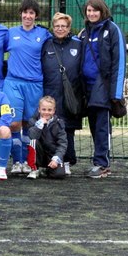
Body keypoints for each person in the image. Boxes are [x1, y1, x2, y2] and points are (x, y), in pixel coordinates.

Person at [79, 0, 127, 179]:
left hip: (104, 87)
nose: (91, 14)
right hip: (87, 88)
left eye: (95, 10)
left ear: (102, 10)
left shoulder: (113, 30)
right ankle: (98, 162)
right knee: (93, 126)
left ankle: (102, 164)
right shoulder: (84, 32)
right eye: (88, 10)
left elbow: (120, 61)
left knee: (102, 127)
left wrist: (116, 93)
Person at [3, 0, 51, 175]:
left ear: (36, 16)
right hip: (13, 82)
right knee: (14, 123)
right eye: (25, 12)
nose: (28, 15)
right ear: (21, 14)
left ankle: (28, 161)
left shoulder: (44, 34)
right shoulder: (11, 32)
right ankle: (16, 161)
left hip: (35, 84)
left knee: (29, 124)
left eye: (31, 13)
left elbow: (59, 42)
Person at [40, 12, 83, 175]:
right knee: (50, 127)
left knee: (68, 128)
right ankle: (47, 161)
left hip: (71, 93)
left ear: (69, 28)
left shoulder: (78, 44)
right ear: (53, 27)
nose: (60, 29)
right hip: (51, 92)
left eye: (63, 26)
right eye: (57, 26)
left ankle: (67, 161)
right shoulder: (46, 44)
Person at [26, 96, 68, 180]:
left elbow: (63, 144)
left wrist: (56, 158)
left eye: (49, 110)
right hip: (39, 153)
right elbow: (32, 136)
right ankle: (34, 168)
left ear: (54, 110)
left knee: (59, 175)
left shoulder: (59, 124)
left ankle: (46, 169)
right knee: (34, 141)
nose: (46, 112)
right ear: (39, 109)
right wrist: (39, 125)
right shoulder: (33, 121)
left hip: (52, 154)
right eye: (44, 109)